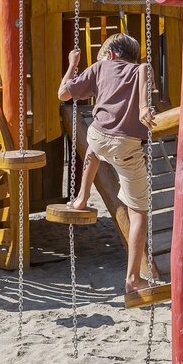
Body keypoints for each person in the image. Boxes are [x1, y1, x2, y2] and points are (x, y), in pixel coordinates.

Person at [57, 33, 156, 297]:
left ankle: (81, 197)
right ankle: (133, 278)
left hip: (98, 136)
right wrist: (144, 109)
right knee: (139, 213)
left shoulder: (100, 67)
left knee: (94, 147)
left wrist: (72, 64)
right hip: (126, 148)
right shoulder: (141, 70)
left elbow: (63, 93)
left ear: (110, 55)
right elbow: (145, 89)